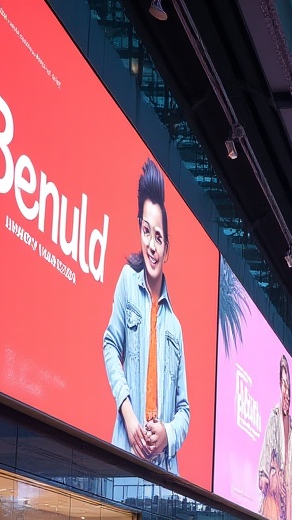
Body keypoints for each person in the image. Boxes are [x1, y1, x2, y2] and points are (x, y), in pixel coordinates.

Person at [103, 158, 190, 474]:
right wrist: (128, 415)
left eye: (159, 237)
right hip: (125, 454)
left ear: (167, 248)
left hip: (165, 470)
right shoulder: (127, 280)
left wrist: (167, 433)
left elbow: (185, 410)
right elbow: (111, 345)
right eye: (146, 231)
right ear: (138, 227)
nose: (152, 245)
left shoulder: (175, 327)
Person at [257, 355, 292, 520]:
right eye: (283, 385)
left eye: (288, 386)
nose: (286, 392)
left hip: (290, 490)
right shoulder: (274, 416)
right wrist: (263, 473)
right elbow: (268, 446)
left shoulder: (291, 425)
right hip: (275, 487)